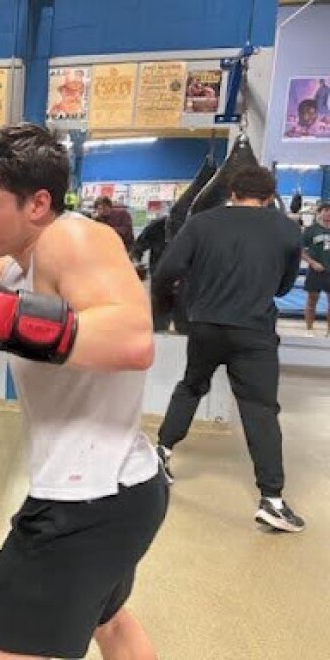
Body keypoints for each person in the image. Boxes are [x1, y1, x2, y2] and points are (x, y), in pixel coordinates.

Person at [0, 124, 168, 660]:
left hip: (87, 503)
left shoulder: (72, 238)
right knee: (111, 624)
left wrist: (10, 322)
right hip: (120, 490)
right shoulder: (12, 265)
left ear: (39, 204)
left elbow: (135, 341)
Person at [151, 165, 304, 533]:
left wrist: (189, 292)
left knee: (191, 386)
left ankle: (161, 455)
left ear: (231, 193)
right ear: (270, 197)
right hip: (254, 332)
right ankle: (272, 500)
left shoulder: (201, 223)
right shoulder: (286, 229)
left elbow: (166, 270)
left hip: (205, 325)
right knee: (260, 409)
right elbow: (284, 288)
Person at [129, 215, 172, 331]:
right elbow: (139, 246)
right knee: (160, 316)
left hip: (186, 278)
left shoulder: (194, 225)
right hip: (161, 274)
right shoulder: (158, 226)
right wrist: (136, 261)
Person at [301, 201, 330, 336]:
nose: (328, 214)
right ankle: (309, 329)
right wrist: (312, 263)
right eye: (326, 211)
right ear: (320, 213)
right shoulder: (311, 230)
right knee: (312, 301)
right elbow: (300, 251)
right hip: (316, 271)